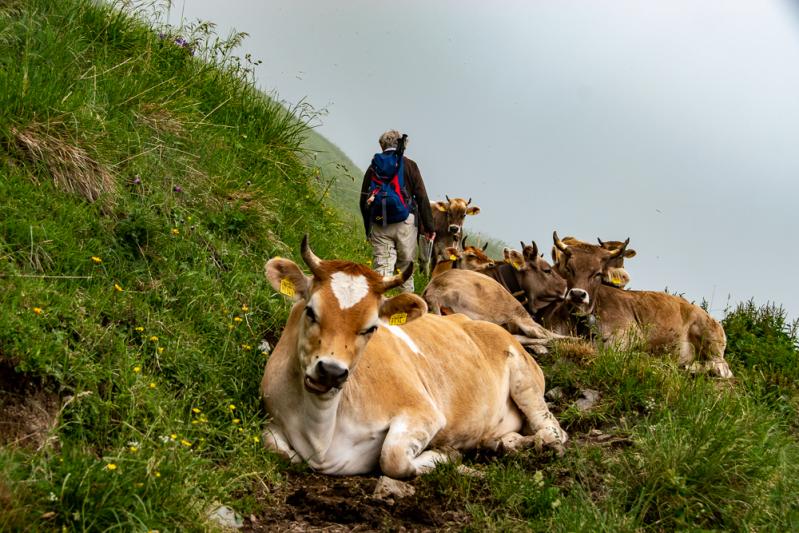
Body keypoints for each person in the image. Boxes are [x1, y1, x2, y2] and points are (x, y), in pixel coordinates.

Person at [360, 130, 435, 293]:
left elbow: (363, 199)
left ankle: (377, 310)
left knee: (382, 268)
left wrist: (368, 229)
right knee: (405, 268)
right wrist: (429, 228)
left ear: (382, 145)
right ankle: (408, 312)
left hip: (380, 222)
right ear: (403, 146)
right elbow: (421, 196)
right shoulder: (410, 165)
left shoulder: (374, 166)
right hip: (406, 223)